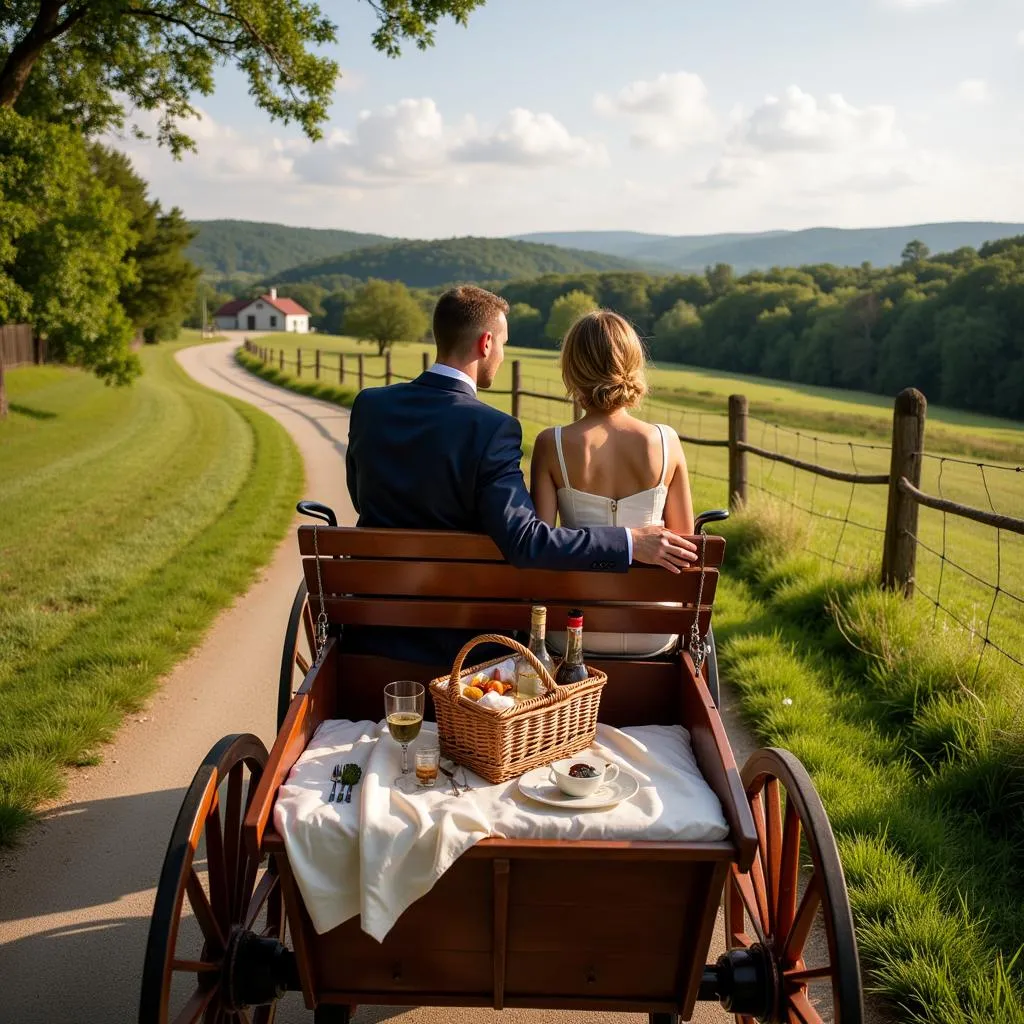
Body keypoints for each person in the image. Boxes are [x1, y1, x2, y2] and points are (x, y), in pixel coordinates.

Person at [344, 286, 698, 665]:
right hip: (469, 640)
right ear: (485, 343)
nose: (501, 355)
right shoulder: (491, 428)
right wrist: (630, 542)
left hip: (372, 623)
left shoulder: (370, 406)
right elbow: (528, 541)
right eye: (503, 345)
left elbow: (359, 494)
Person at [530, 309, 694, 658]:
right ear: (634, 364)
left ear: (573, 369)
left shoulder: (552, 445)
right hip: (653, 628)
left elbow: (541, 551)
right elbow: (685, 550)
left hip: (574, 633)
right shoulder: (666, 442)